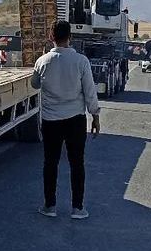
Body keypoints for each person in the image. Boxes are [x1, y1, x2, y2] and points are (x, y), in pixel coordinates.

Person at [31, 20, 101, 220]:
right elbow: (89, 92)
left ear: (51, 37)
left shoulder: (43, 61)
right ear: (70, 37)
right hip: (75, 120)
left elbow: (34, 84)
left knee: (50, 163)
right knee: (77, 163)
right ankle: (77, 208)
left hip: (51, 120)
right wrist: (95, 116)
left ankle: (49, 206)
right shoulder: (81, 61)